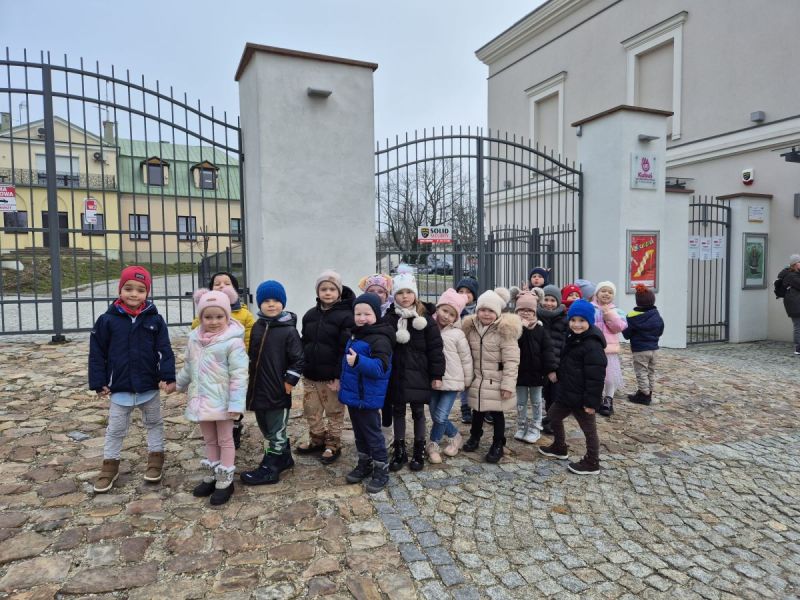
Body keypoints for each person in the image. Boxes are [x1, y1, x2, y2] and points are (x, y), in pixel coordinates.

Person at [89, 266, 176, 493]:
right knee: (116, 428)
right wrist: (98, 381)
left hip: (148, 385)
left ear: (147, 293)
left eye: (140, 289)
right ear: (120, 290)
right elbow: (97, 353)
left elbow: (164, 350)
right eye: (128, 288)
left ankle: (156, 459)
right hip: (120, 386)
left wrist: (167, 376)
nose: (134, 294)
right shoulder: (107, 320)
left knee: (154, 423)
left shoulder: (155, 320)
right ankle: (110, 466)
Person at [177, 288, 249, 505]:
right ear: (201, 318)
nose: (214, 321)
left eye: (219, 316)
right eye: (208, 317)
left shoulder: (232, 342)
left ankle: (225, 480)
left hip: (224, 401)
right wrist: (178, 383)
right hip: (201, 400)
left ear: (227, 316)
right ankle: (213, 472)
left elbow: (239, 374)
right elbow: (189, 366)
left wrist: (236, 403)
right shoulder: (194, 340)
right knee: (209, 439)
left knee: (225, 439)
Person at [240, 280, 304, 486]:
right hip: (258, 389)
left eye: (276, 300)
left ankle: (272, 467)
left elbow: (298, 359)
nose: (271, 304)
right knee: (265, 427)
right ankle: (284, 457)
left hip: (278, 389)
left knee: (276, 430)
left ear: (282, 303)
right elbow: (252, 355)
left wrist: (290, 381)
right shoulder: (257, 327)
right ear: (259, 303)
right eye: (266, 300)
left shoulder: (289, 331)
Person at [384, 272, 445, 472]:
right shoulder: (390, 318)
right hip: (398, 374)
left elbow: (435, 349)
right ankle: (400, 449)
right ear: (394, 295)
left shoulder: (425, 319)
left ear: (415, 294)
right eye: (400, 292)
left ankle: (419, 449)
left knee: (418, 412)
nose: (405, 296)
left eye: (409, 292)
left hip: (420, 373)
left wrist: (436, 375)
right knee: (398, 411)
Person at [539, 299, 607, 475]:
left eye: (582, 320)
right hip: (566, 393)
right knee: (552, 417)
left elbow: (596, 377)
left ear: (589, 321)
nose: (576, 324)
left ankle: (592, 462)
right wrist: (558, 373)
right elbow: (567, 362)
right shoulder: (571, 337)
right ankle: (559, 446)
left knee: (589, 430)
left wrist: (591, 403)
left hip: (582, 398)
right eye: (573, 320)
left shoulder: (592, 345)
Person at [190, 271, 255, 449]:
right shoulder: (203, 314)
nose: (221, 286)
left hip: (233, 364)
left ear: (235, 289)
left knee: (235, 395)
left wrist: (246, 358)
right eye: (217, 283)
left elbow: (249, 338)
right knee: (215, 398)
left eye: (227, 283)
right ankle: (215, 428)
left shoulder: (244, 314)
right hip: (211, 368)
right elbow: (195, 332)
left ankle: (234, 427)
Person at [297, 270, 355, 464]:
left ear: (339, 292)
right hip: (311, 374)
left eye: (332, 289)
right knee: (311, 410)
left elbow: (344, 349)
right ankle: (317, 438)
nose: (328, 292)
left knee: (334, 412)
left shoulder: (346, 316)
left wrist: (339, 376)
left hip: (331, 377)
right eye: (323, 289)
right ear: (318, 292)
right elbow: (305, 341)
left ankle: (333, 443)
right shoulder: (310, 315)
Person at [340, 293, 395, 493]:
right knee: (359, 433)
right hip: (354, 396)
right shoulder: (356, 334)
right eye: (358, 314)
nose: (362, 318)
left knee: (373, 434)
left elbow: (380, 368)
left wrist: (359, 362)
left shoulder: (380, 338)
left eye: (367, 314)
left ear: (376, 315)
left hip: (368, 397)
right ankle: (365, 462)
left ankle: (381, 469)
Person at [461, 287, 522, 463]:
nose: (486, 314)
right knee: (477, 411)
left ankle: (498, 443)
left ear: (497, 312)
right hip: (478, 379)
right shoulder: (471, 328)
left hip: (496, 380)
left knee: (496, 413)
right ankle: (475, 436)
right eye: (483, 310)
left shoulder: (504, 331)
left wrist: (508, 385)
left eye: (490, 310)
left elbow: (511, 361)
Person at [427, 288, 473, 463]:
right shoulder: (428, 328)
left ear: (456, 318)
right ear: (438, 308)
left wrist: (467, 380)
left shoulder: (458, 334)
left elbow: (466, 358)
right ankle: (455, 436)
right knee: (435, 415)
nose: (446, 316)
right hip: (432, 380)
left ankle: (433, 444)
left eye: (452, 314)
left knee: (440, 416)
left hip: (452, 381)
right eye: (444, 310)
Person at [514, 291, 557, 444]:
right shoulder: (513, 329)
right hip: (519, 373)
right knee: (521, 401)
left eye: (529, 310)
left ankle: (536, 426)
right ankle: (522, 425)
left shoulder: (541, 330)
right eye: (522, 310)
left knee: (536, 400)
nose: (525, 313)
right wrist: (519, 328)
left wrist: (550, 369)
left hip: (537, 373)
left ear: (535, 312)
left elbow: (548, 350)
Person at [623, 285, 664, 405]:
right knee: (651, 372)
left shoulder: (632, 317)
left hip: (640, 350)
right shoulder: (656, 314)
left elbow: (627, 334)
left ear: (637, 301)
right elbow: (660, 330)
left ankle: (644, 396)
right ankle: (648, 392)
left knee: (641, 372)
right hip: (654, 349)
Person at [592, 281, 627, 416]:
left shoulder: (617, 311)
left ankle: (608, 400)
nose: (606, 294)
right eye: (603, 291)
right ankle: (596, 398)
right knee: (594, 374)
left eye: (610, 292)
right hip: (593, 347)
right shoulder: (591, 308)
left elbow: (620, 327)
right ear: (597, 293)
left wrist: (609, 315)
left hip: (609, 349)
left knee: (610, 376)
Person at [538, 284, 569, 434]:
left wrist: (556, 367)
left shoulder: (564, 319)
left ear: (558, 302)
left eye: (552, 300)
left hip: (557, 365)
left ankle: (551, 421)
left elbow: (564, 345)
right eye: (546, 299)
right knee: (541, 395)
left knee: (554, 395)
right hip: (539, 364)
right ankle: (541, 420)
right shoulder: (536, 316)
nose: (549, 303)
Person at [456, 277, 479, 423]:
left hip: (477, 349)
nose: (464, 294)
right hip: (462, 350)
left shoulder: (480, 309)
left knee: (478, 379)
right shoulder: (455, 309)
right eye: (461, 291)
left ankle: (482, 408)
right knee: (465, 381)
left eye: (468, 292)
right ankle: (465, 407)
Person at [776, 254, 800, 355]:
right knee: (798, 326)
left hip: (795, 303)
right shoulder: (791, 276)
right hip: (795, 304)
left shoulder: (795, 274)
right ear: (795, 264)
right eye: (799, 262)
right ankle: (798, 348)